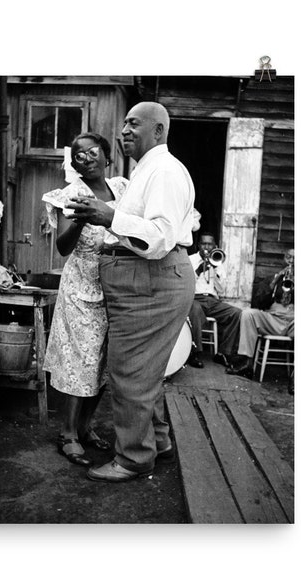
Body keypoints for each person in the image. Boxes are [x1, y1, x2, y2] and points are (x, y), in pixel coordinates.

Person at [64, 102, 196, 482]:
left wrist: (108, 216)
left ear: (158, 131)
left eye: (134, 123)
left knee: (131, 374)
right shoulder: (147, 170)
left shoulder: (165, 171)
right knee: (146, 373)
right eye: (123, 123)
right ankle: (157, 441)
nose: (124, 130)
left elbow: (158, 236)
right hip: (145, 278)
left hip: (150, 277)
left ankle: (134, 459)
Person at [42, 133, 128, 466]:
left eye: (93, 152)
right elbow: (63, 247)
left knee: (103, 364)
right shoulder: (70, 194)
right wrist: (79, 221)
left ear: (107, 156)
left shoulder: (122, 189)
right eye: (78, 155)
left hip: (116, 285)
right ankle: (67, 434)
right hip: (81, 286)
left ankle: (84, 426)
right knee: (80, 361)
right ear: (73, 163)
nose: (86, 158)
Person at [227, 248, 295, 378]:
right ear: (284, 259)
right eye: (289, 258)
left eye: (296, 259)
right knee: (248, 314)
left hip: (294, 321)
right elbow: (259, 302)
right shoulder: (274, 278)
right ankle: (246, 364)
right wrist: (274, 283)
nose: (292, 262)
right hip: (273, 319)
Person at [186, 231, 242, 368]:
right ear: (198, 245)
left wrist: (216, 269)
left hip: (212, 300)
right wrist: (198, 271)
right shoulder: (190, 260)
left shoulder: (217, 261)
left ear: (214, 246)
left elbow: (222, 290)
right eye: (203, 243)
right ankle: (195, 353)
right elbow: (185, 285)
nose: (206, 247)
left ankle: (223, 353)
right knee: (195, 309)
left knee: (235, 313)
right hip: (195, 298)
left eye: (209, 244)